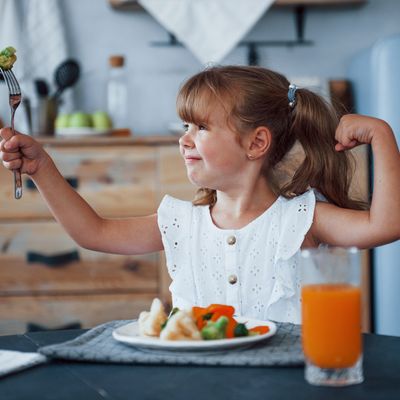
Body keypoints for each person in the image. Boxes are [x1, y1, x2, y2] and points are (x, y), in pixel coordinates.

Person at [1, 66, 399, 324]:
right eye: (185, 125)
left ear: (256, 142)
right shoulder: (180, 223)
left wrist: (381, 135)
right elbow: (94, 232)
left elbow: (387, 226)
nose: (184, 139)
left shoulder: (303, 219)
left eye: (201, 127)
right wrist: (42, 168)